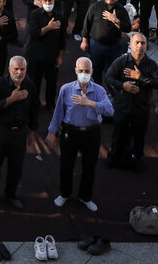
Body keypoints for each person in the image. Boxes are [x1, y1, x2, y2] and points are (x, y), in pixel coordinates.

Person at [47, 56, 114, 211]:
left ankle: (85, 196)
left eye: (87, 71)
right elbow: (58, 112)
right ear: (76, 71)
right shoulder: (66, 89)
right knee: (66, 164)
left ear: (92, 71)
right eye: (81, 70)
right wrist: (52, 131)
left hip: (92, 133)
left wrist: (90, 103)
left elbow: (110, 110)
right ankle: (64, 193)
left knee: (89, 166)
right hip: (70, 132)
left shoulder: (99, 90)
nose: (84, 73)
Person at [0, 55, 39, 210]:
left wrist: (33, 131)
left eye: (22, 69)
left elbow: (34, 109)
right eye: (16, 69)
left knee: (16, 168)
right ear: (9, 69)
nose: (19, 72)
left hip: (19, 133)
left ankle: (11, 195)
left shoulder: (30, 85)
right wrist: (11, 99)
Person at [104, 32, 158, 171]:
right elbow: (108, 77)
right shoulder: (121, 61)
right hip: (122, 106)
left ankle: (136, 159)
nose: (140, 46)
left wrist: (140, 77)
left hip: (141, 108)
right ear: (130, 44)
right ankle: (114, 157)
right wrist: (123, 86)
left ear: (146, 46)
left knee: (139, 136)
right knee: (118, 134)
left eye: (143, 43)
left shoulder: (151, 65)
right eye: (137, 42)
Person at [80, 0, 131, 83]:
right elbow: (87, 24)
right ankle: (97, 88)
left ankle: (110, 90)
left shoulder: (121, 10)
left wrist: (116, 20)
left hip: (114, 47)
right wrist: (84, 41)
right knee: (95, 71)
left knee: (111, 72)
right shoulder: (95, 6)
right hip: (96, 46)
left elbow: (128, 28)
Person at [24, 0, 64, 108]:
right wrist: (48, 28)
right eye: (45, 1)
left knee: (52, 83)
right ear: (41, 1)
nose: (48, 3)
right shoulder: (34, 15)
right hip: (36, 56)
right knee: (34, 82)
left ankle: (50, 104)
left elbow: (62, 38)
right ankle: (34, 104)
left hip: (52, 56)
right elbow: (34, 34)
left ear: (54, 1)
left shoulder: (60, 16)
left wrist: (60, 56)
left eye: (50, 1)